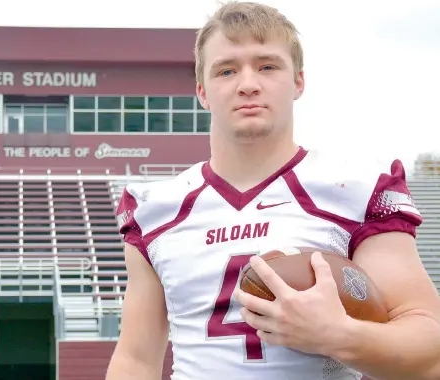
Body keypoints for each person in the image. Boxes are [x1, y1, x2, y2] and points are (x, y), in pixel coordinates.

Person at [104, 1, 440, 379]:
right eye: (226, 70)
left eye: (267, 66)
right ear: (202, 92)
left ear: (298, 81)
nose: (248, 83)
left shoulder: (355, 190)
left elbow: (430, 352)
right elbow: (136, 359)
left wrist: (337, 336)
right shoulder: (157, 208)